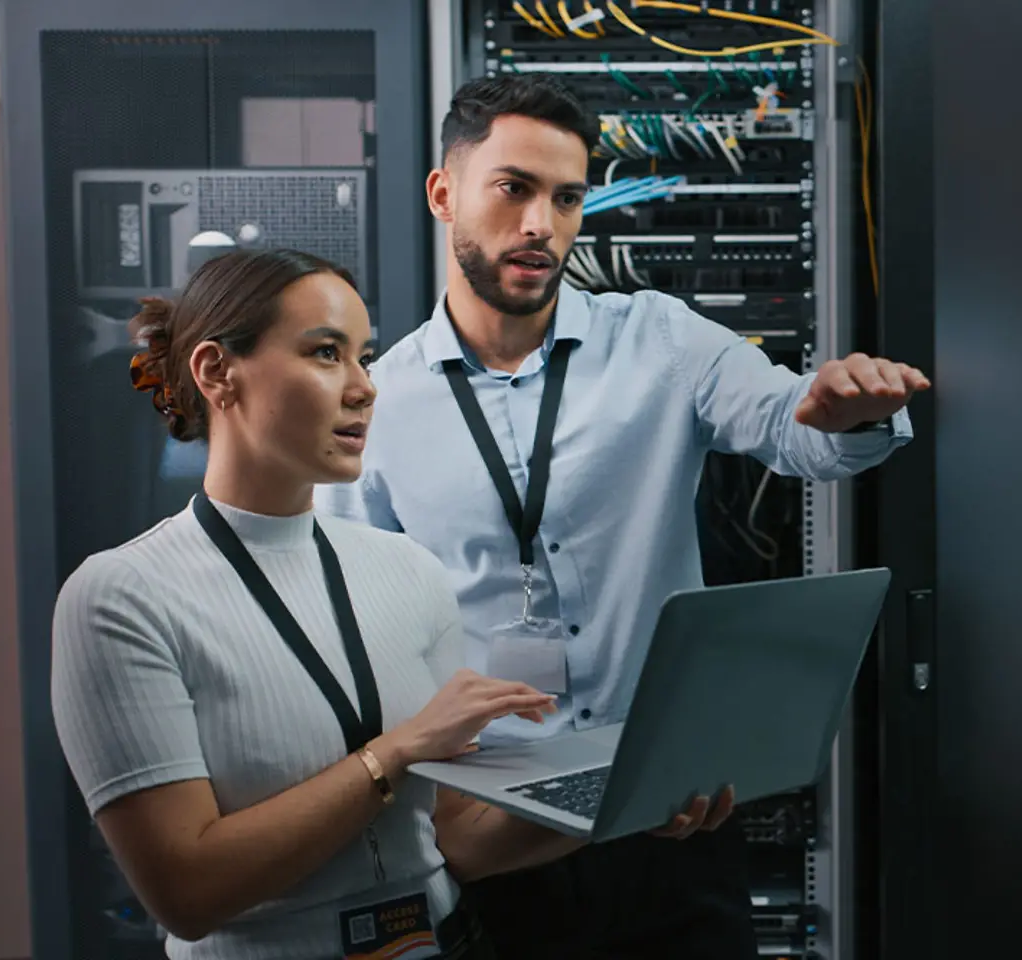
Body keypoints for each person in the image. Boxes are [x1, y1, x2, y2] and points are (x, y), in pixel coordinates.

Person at [316, 75, 930, 959]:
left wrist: (847, 410)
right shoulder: (381, 401)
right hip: (497, 828)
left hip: (670, 811)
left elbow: (795, 429)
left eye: (568, 198)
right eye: (514, 188)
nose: (543, 224)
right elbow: (359, 628)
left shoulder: (660, 340)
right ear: (444, 194)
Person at [51, 248, 629, 959]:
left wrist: (625, 800)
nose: (365, 387)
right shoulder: (122, 598)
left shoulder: (409, 569)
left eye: (367, 356)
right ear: (215, 372)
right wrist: (396, 753)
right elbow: (186, 892)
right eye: (327, 353)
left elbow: (456, 840)